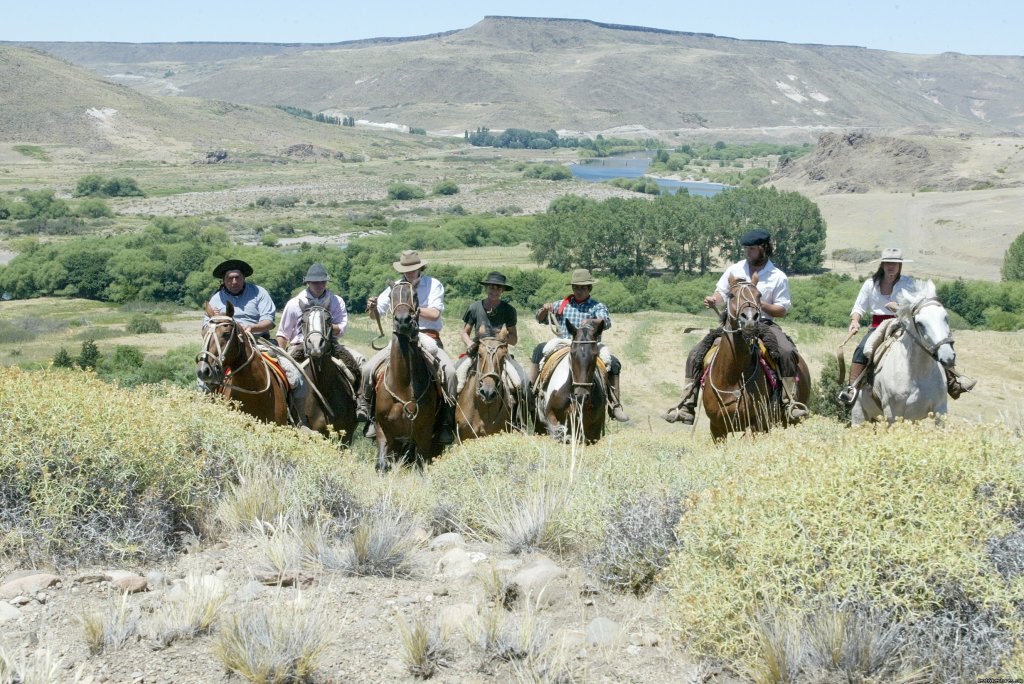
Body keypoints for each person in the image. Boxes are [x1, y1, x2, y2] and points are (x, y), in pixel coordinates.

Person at [664, 229, 808, 424]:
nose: (748, 253)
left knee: (786, 351)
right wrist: (713, 299)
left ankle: (789, 402)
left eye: (752, 249)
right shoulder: (735, 270)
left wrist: (755, 303)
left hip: (762, 323)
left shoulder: (778, 276)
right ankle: (687, 404)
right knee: (695, 354)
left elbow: (782, 309)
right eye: (746, 249)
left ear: (764, 249)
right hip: (732, 325)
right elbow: (721, 293)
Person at [838, 247, 976, 403]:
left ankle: (954, 384)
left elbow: (918, 305)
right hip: (878, 325)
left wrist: (897, 307)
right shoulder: (870, 284)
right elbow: (859, 307)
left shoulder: (908, 283)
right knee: (862, 349)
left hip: (903, 324)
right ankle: (852, 389)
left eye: (895, 264)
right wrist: (855, 320)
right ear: (882, 265)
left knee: (934, 344)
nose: (891, 266)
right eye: (888, 263)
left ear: (900, 266)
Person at [356, 250, 458, 443]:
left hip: (427, 335)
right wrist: (372, 308)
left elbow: (435, 314)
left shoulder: (433, 284)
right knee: (368, 368)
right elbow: (376, 313)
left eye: (414, 269)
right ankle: (370, 415)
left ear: (420, 268)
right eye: (406, 269)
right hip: (399, 338)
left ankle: (446, 420)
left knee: (451, 373)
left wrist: (411, 310)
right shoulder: (396, 287)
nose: (410, 273)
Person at [202, 258, 309, 427]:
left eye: (237, 277)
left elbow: (269, 321)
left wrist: (252, 327)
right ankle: (206, 418)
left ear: (244, 278)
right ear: (223, 280)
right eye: (230, 278)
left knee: (295, 374)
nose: (234, 281)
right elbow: (207, 327)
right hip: (227, 345)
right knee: (204, 376)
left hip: (258, 341)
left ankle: (299, 420)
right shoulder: (216, 299)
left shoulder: (259, 292)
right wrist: (215, 318)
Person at [530, 268, 629, 422]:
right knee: (539, 350)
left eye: (583, 288)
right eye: (576, 287)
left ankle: (614, 405)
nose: (579, 291)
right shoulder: (563, 304)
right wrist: (545, 309)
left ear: (589, 288)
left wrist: (591, 321)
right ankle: (533, 393)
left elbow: (606, 322)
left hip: (590, 344)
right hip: (566, 342)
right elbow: (539, 317)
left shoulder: (597, 306)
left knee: (613, 363)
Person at [457, 271, 529, 422]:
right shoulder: (475, 307)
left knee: (522, 381)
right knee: (453, 378)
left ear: (502, 291)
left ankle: (519, 421)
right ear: (486, 288)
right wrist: (470, 343)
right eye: (491, 287)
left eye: (498, 288)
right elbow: (465, 332)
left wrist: (501, 339)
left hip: (500, 355)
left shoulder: (509, 310)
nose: (494, 291)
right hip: (477, 353)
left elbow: (514, 339)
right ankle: (447, 422)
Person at [276, 262, 367, 374]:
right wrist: (280, 354)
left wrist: (323, 326)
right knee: (285, 375)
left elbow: (341, 329)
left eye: (322, 282)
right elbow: (283, 334)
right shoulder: (294, 303)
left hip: (330, 345)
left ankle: (359, 391)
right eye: (315, 282)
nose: (319, 285)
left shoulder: (337, 301)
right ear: (308, 282)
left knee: (360, 362)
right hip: (300, 346)